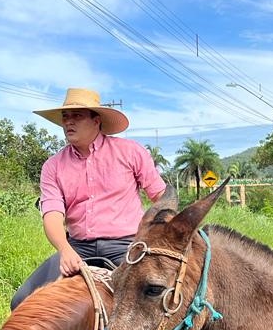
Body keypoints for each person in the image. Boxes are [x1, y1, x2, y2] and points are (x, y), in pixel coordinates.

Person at [11, 88, 167, 309]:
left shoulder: (130, 152)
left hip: (126, 245)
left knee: (148, 305)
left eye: (77, 116)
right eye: (65, 117)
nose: (68, 122)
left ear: (97, 121)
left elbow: (159, 196)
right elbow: (53, 214)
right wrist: (65, 250)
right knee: (22, 301)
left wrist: (166, 235)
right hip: (77, 247)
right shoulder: (53, 166)